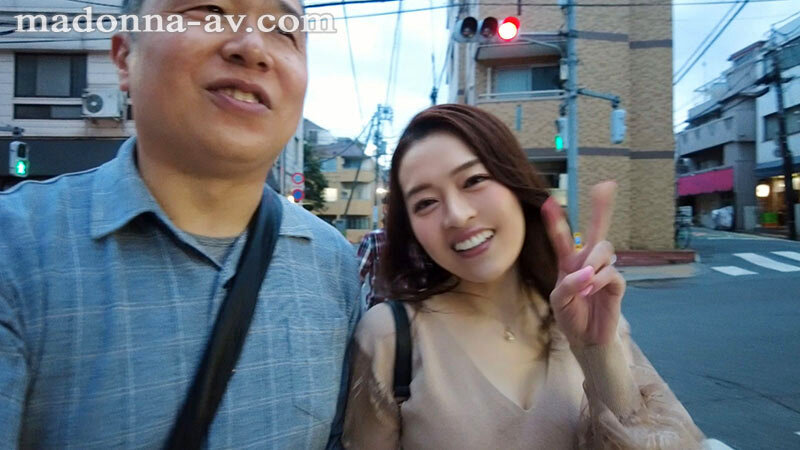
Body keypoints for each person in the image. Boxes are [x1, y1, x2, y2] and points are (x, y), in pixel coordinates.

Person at [0, 0, 361, 447]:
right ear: (124, 56)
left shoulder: (333, 266)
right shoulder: (14, 246)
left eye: (283, 30)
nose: (252, 47)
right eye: (209, 10)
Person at [342, 104, 704, 449]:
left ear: (514, 183)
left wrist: (598, 353)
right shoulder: (388, 338)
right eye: (425, 203)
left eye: (474, 180)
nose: (456, 215)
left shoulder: (592, 315)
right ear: (411, 230)